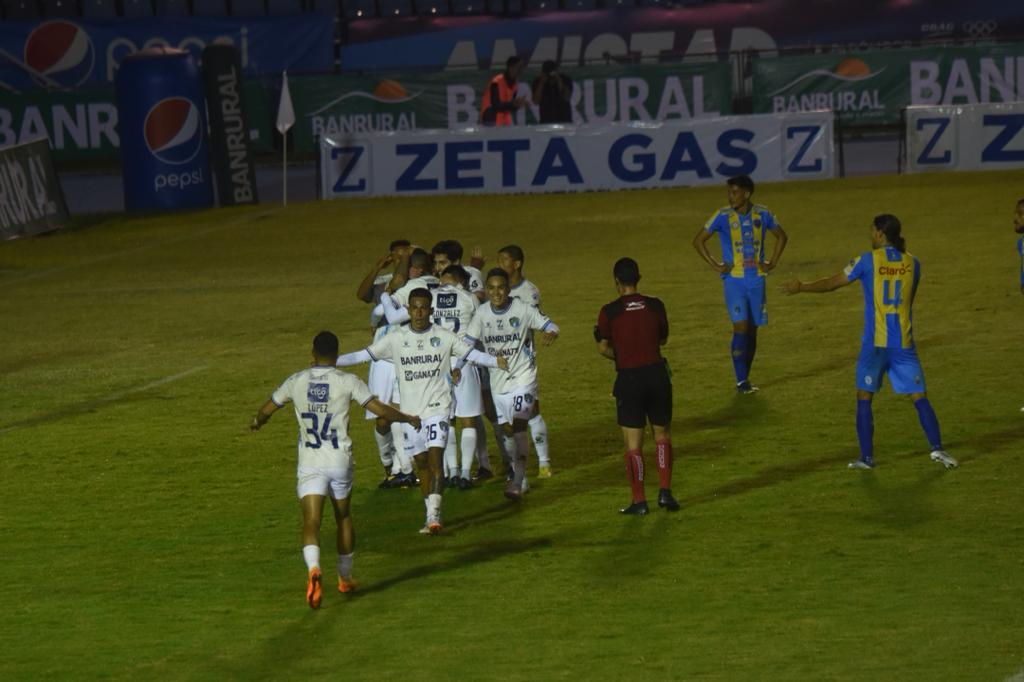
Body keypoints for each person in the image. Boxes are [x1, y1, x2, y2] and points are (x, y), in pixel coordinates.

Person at [250, 331, 420, 609]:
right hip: (339, 461)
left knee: (311, 521)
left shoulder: (297, 381)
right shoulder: (347, 381)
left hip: (311, 463)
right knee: (343, 517)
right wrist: (408, 418)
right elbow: (380, 409)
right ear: (337, 354)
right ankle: (344, 578)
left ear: (312, 353)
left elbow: (268, 408)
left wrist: (257, 420)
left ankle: (314, 569)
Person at [781, 214, 958, 470]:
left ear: (879, 234)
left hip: (875, 345)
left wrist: (802, 287)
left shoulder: (867, 261)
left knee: (864, 396)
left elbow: (832, 284)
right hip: (904, 345)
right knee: (919, 397)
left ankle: (867, 458)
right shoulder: (914, 263)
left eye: (872, 231)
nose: (870, 235)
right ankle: (938, 449)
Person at [338, 289, 506, 534]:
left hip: (438, 408)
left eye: (423, 308)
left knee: (436, 459)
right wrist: (331, 361)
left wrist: (495, 361)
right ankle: (430, 512)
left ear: (431, 311)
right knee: (422, 463)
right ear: (407, 310)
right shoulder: (396, 338)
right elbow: (363, 355)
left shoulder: (444, 337)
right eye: (414, 308)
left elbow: (472, 353)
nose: (418, 313)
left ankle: (434, 516)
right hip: (411, 415)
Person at [466, 268, 560, 500]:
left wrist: (551, 332)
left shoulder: (523, 309)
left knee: (519, 426)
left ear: (508, 290)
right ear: (486, 290)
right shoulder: (481, 314)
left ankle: (518, 481)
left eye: (501, 288)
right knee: (506, 430)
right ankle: (521, 476)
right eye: (491, 288)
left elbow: (551, 325)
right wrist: (457, 367)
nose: (496, 292)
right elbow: (466, 344)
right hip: (499, 383)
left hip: (523, 378)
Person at [595, 258, 678, 515]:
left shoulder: (609, 312)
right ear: (638, 278)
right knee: (662, 436)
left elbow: (603, 348)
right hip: (657, 375)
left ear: (616, 281)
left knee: (634, 445)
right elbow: (663, 339)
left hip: (629, 379)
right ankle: (665, 491)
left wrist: (623, 355)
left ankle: (639, 501)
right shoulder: (655, 306)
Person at [693, 175, 788, 394]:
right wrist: (716, 265)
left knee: (752, 331)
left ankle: (746, 377)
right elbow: (698, 240)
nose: (730, 196)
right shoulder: (722, 216)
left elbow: (782, 236)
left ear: (746, 194)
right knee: (741, 328)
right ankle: (741, 381)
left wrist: (772, 262)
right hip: (734, 281)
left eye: (734, 192)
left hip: (756, 280)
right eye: (729, 192)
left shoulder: (762, 213)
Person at [355, 239, 414, 489]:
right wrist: (377, 267)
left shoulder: (415, 284)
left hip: (407, 353)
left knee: (405, 411)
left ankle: (407, 467)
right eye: (397, 257)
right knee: (381, 416)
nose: (401, 261)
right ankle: (388, 465)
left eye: (406, 257)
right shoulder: (383, 283)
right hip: (381, 357)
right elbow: (361, 295)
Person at [497, 244, 550, 477]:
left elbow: (537, 319)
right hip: (499, 366)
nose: (501, 265)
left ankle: (544, 463)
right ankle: (516, 469)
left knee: (531, 412)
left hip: (523, 364)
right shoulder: (497, 291)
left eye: (504, 260)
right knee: (507, 421)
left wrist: (547, 330)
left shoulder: (529, 292)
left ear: (517, 264)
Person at [480, 56, 528, 127]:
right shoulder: (496, 82)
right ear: (511, 68)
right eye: (519, 67)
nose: (521, 70)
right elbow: (496, 105)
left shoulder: (514, 85)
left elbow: (509, 106)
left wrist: (518, 104)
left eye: (522, 67)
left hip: (503, 120)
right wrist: (514, 104)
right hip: (490, 119)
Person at [531, 60, 573, 124]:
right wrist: (541, 84)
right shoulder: (538, 81)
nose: (550, 74)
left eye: (552, 71)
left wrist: (559, 80)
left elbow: (567, 97)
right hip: (546, 120)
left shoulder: (564, 79)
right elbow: (535, 101)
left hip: (564, 119)